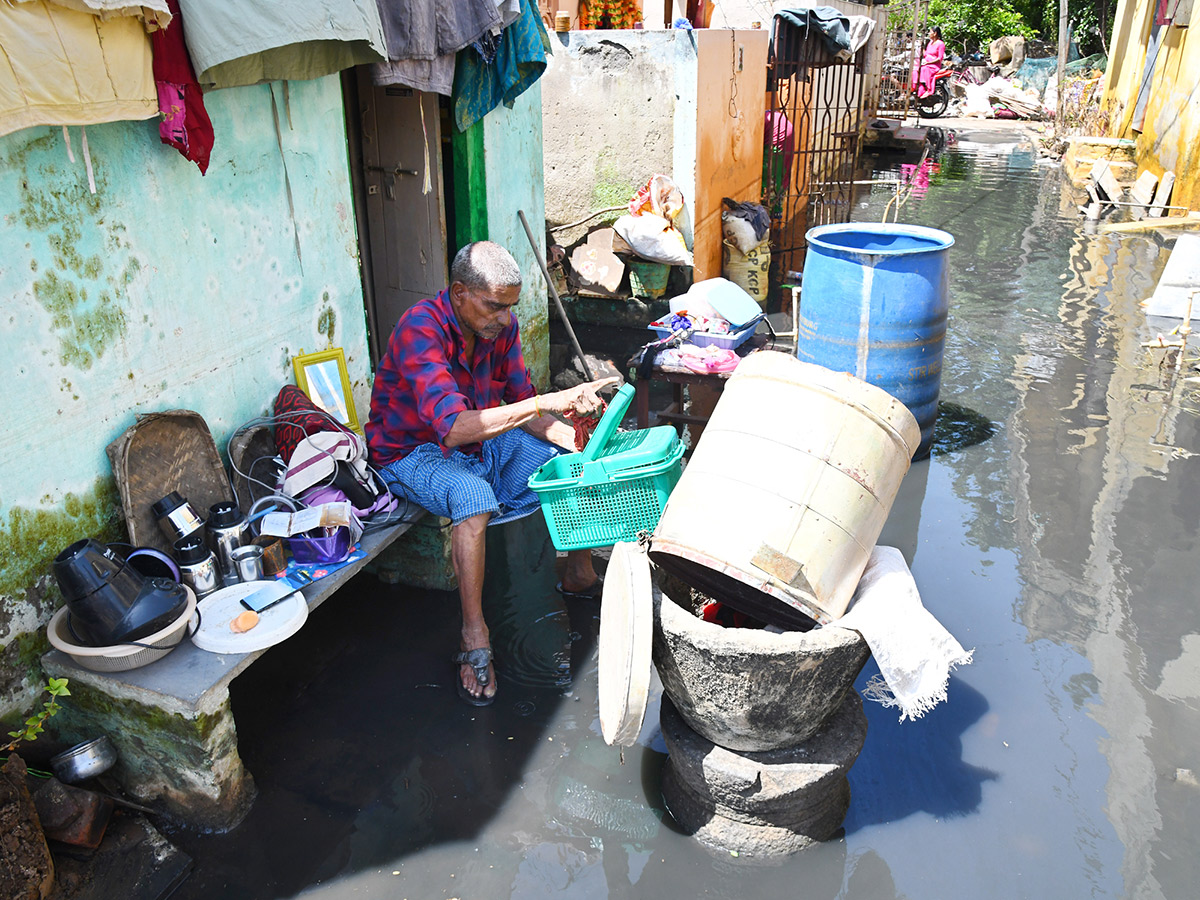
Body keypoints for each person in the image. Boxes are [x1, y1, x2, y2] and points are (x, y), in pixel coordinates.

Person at [365, 241, 616, 706]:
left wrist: (577, 441)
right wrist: (544, 405)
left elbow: (524, 406)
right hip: (412, 451)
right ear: (459, 293)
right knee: (475, 497)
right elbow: (455, 428)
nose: (503, 318)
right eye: (494, 307)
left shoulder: (502, 328)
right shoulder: (420, 329)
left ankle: (579, 572)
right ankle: (473, 636)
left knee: (563, 461)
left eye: (510, 307)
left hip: (476, 435)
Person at [913, 26, 945, 99]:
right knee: (915, 71)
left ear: (935, 33)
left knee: (925, 69)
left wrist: (928, 63)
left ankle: (929, 90)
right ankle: (920, 90)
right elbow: (926, 54)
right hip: (926, 63)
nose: (929, 33)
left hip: (934, 66)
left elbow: (940, 58)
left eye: (930, 32)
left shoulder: (940, 44)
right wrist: (921, 47)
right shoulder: (930, 43)